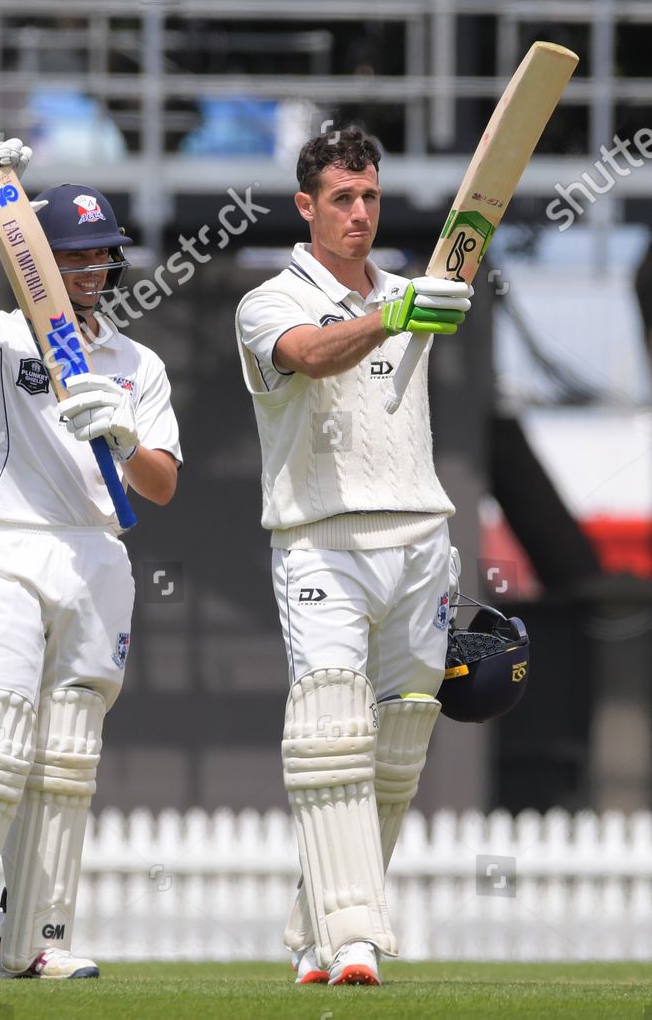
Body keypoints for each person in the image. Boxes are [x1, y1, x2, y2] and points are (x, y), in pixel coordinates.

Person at [0, 138, 182, 980]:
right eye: (74, 256)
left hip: (99, 558)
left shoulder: (138, 364)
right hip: (10, 547)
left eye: (102, 255)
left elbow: (160, 485)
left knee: (66, 763)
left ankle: (34, 942)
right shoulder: (0, 336)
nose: (90, 269)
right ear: (39, 263)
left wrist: (123, 437)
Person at [233, 127, 474, 987]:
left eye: (370, 196)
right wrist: (394, 315)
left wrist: (419, 302)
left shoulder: (416, 291)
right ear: (307, 205)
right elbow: (308, 355)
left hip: (420, 538)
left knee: (400, 742)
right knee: (332, 729)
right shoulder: (269, 302)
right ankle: (358, 934)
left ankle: (313, 927)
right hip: (321, 542)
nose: (360, 213)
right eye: (342, 197)